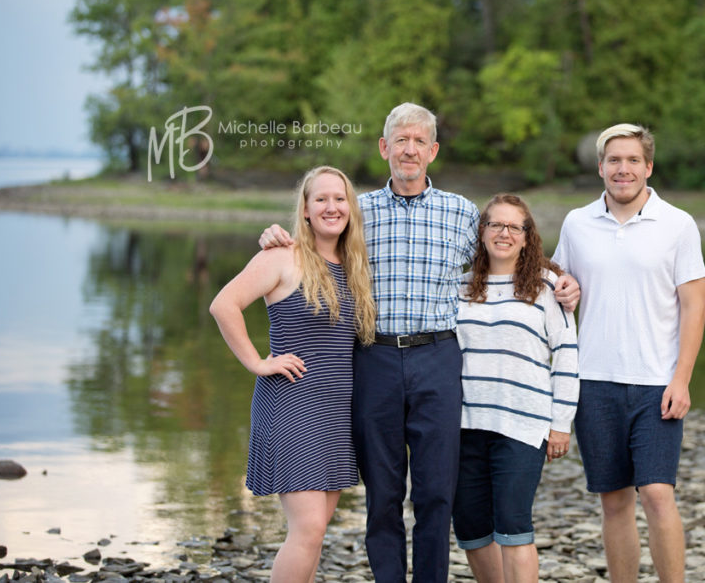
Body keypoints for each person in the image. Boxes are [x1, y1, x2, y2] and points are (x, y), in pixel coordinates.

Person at [259, 103, 580, 582]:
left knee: (435, 493)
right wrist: (273, 237)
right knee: (382, 493)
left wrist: (559, 276)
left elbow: (507, 249)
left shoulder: (461, 213)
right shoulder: (356, 211)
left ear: (432, 151)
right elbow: (312, 243)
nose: (410, 150)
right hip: (374, 359)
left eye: (419, 142)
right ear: (385, 148)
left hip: (437, 359)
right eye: (400, 141)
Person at [552, 124, 705, 583]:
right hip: (593, 382)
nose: (623, 169)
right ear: (600, 167)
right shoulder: (577, 224)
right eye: (614, 160)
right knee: (614, 500)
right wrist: (566, 287)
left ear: (648, 167)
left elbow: (694, 305)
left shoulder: (678, 224)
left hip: (657, 383)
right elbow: (558, 282)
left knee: (657, 493)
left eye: (633, 160)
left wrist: (682, 379)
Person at [210, 166, 378, 583]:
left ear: (351, 208)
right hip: (291, 406)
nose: (331, 207)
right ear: (304, 209)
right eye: (320, 199)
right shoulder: (283, 257)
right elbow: (224, 305)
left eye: (339, 199)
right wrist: (257, 362)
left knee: (315, 533)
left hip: (335, 414)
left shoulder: (355, 265)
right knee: (308, 530)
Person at [452, 194, 579, 583]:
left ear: (527, 237)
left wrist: (561, 424)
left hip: (522, 426)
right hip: (463, 426)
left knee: (513, 525)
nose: (503, 233)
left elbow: (568, 357)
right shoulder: (458, 285)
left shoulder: (547, 287)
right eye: (495, 225)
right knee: (472, 530)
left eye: (514, 227)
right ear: (482, 232)